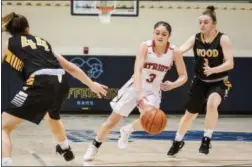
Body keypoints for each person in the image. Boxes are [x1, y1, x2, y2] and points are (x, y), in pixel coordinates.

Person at [1, 12, 108, 166]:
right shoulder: (43, 43)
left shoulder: (9, 45)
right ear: (28, 28)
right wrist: (91, 84)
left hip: (40, 81)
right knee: (52, 116)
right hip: (61, 81)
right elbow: (70, 67)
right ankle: (65, 147)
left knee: (3, 127)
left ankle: (5, 163)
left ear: (10, 31)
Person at [83, 21, 188, 161]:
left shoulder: (175, 52)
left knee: (150, 122)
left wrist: (173, 84)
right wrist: (139, 93)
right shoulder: (145, 46)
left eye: (164, 34)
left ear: (169, 36)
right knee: (111, 123)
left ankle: (127, 130)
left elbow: (184, 76)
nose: (160, 36)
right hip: (135, 86)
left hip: (153, 91)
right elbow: (137, 69)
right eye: (157, 33)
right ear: (153, 33)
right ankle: (94, 147)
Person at [167, 6, 234, 157]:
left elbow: (230, 63)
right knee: (190, 114)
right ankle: (178, 141)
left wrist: (213, 70)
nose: (202, 25)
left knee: (212, 104)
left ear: (214, 24)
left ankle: (206, 139)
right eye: (200, 22)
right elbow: (180, 50)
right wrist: (168, 57)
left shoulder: (223, 38)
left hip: (219, 81)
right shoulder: (195, 38)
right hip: (200, 81)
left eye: (206, 22)